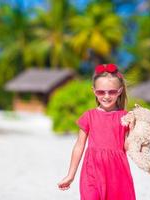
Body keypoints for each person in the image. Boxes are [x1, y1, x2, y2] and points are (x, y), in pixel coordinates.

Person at [57, 63, 136, 200]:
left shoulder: (125, 117)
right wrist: (71, 175)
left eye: (111, 91)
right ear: (94, 91)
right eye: (101, 92)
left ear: (120, 91)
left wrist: (134, 127)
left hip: (117, 173)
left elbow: (128, 147)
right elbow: (79, 146)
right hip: (91, 170)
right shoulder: (89, 116)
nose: (106, 96)